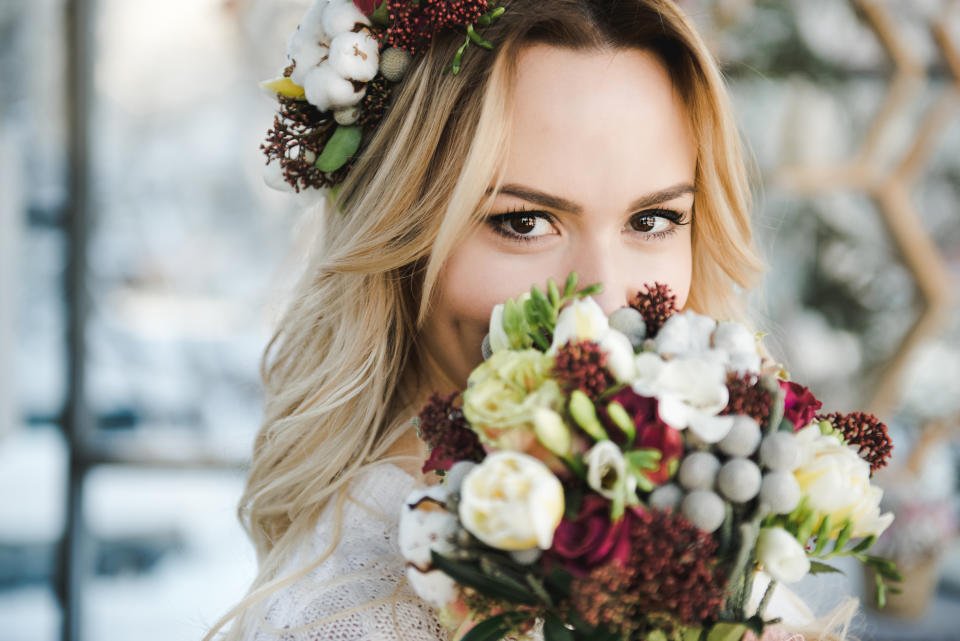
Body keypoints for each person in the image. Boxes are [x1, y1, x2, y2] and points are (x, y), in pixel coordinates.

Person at [203, 1, 854, 639]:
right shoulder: (347, 614)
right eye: (523, 222)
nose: (601, 308)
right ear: (400, 229)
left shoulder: (689, 524)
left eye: (651, 220)